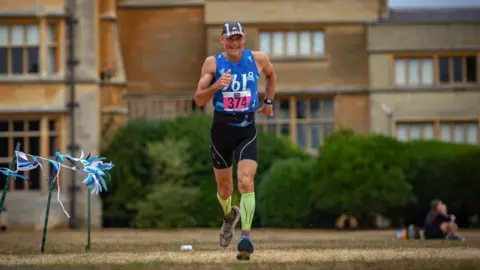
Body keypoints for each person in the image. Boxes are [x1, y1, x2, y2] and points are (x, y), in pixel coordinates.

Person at [194, 22, 276, 260]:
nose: (234, 43)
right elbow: (198, 99)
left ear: (244, 39)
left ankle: (246, 238)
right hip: (221, 131)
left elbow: (271, 76)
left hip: (246, 129)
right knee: (224, 188)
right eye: (230, 39)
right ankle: (229, 216)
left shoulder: (259, 59)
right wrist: (216, 86)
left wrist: (269, 102)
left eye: (238, 38)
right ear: (222, 40)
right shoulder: (212, 63)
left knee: (246, 181)